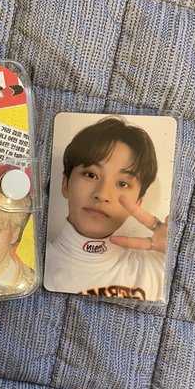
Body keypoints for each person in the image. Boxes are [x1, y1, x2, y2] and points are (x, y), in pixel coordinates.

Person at [44, 116, 168, 301]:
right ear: (65, 184)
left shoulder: (160, 270)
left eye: (122, 184)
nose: (102, 194)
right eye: (91, 174)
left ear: (137, 204)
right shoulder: (28, 265)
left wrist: (182, 253)